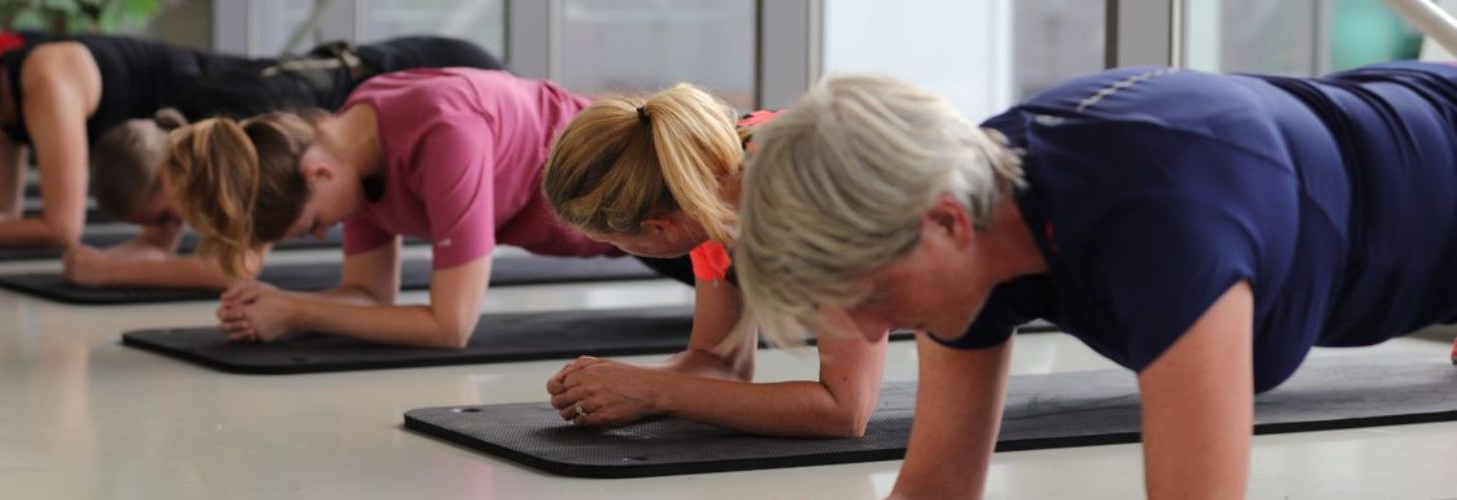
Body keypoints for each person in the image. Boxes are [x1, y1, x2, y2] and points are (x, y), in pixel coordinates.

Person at [734, 63, 1457, 499]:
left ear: (945, 225)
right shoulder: (979, 205)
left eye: (871, 298)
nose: (868, 332)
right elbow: (935, 487)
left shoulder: (1163, 222)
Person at [0, 33, 502, 289]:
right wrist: (144, 252)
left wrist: (111, 270)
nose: (178, 226)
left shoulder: (243, 137)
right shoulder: (193, 136)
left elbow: (237, 268)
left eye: (169, 218)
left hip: (447, 73)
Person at [167, 67, 653, 348]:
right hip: (629, 238)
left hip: (655, 203)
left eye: (312, 223)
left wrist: (297, 311)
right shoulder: (351, 153)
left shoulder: (444, 132)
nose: (322, 235)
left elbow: (451, 325)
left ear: (317, 174)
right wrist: (278, 306)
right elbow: (367, 294)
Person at [539, 84, 885, 438]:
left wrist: (652, 391)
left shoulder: (810, 202)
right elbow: (720, 361)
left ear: (661, 229)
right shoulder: (702, 184)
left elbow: (845, 411)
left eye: (614, 242)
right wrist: (627, 382)